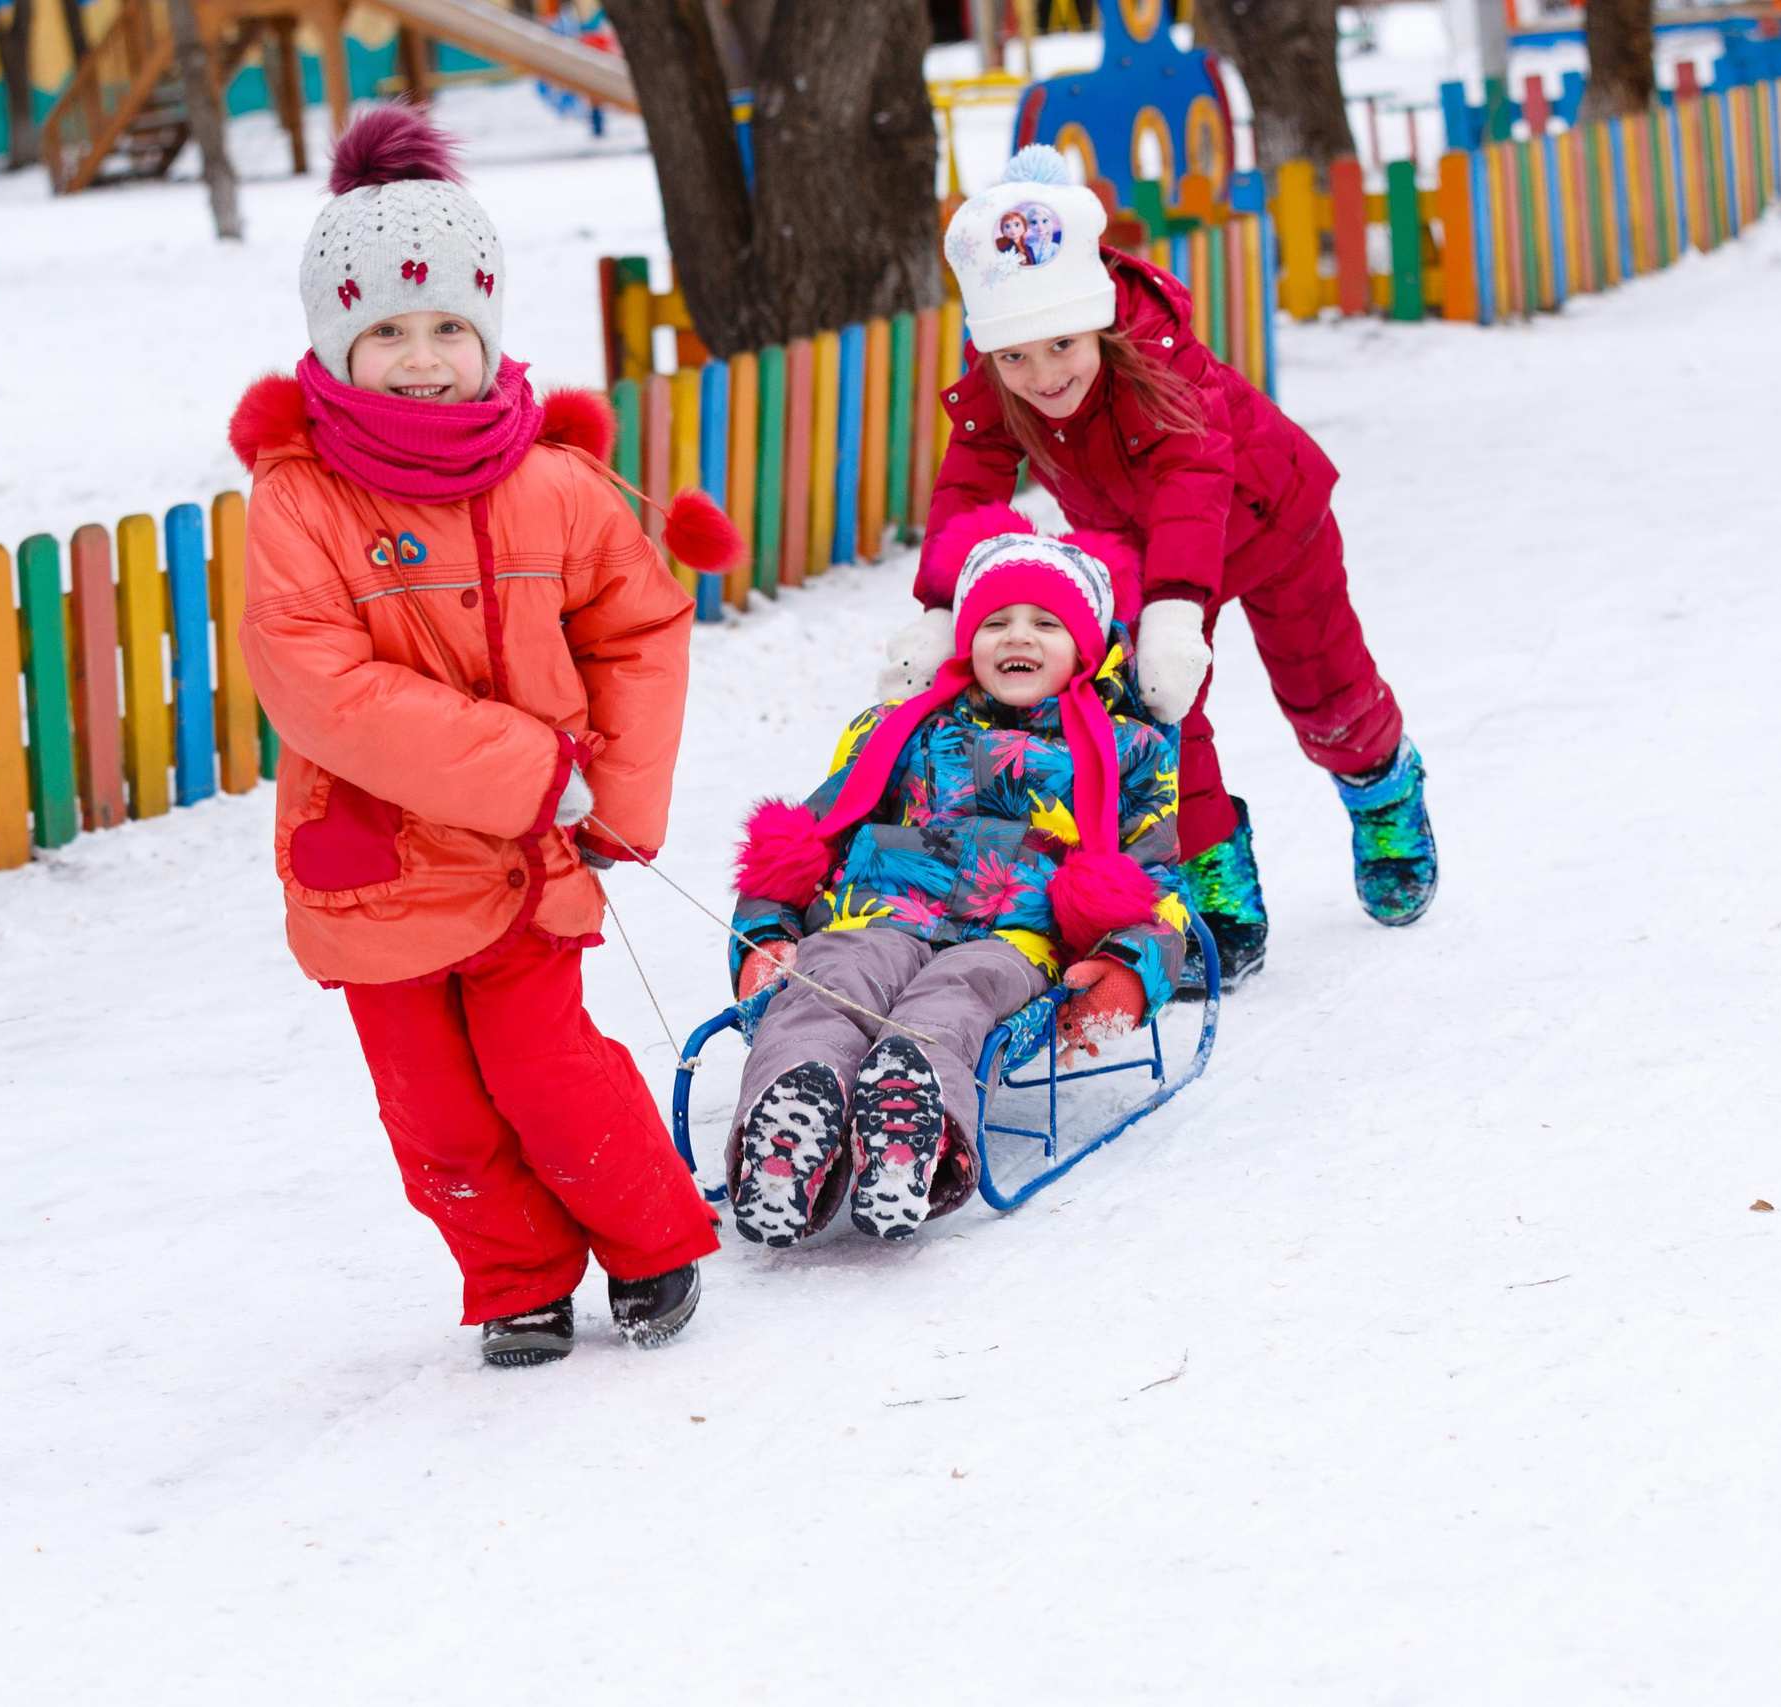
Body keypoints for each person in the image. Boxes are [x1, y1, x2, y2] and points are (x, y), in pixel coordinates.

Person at [231, 107, 734, 1367]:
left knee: (546, 1073)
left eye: (447, 326)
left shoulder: (552, 483)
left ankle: (651, 1241)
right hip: (379, 868)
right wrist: (531, 771)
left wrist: (613, 787)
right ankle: (514, 1276)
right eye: (385, 332)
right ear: (335, 343)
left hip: (525, 867)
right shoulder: (300, 500)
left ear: (489, 330)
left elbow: (640, 623)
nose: (419, 358)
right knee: (436, 1112)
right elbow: (317, 685)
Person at [912, 146, 1439, 988]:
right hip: (1139, 552)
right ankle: (1216, 886)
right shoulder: (1002, 380)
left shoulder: (1157, 360)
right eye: (1015, 357)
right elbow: (967, 485)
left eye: (1060, 346)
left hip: (1272, 520)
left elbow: (1195, 479)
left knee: (1323, 690)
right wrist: (941, 608)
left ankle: (1381, 789)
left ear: (1094, 321)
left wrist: (1176, 608)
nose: (1044, 377)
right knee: (1158, 710)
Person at [723, 516, 1185, 1246]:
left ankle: (911, 1130)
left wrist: (1128, 969)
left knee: (951, 999)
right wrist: (767, 932)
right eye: (995, 620)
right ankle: (792, 1122)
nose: (1017, 637)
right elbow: (814, 832)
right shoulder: (901, 726)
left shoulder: (1128, 748)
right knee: (828, 981)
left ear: (1088, 647)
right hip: (878, 913)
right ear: (967, 639)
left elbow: (1156, 881)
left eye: (1045, 622)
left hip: (1013, 935)